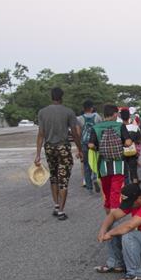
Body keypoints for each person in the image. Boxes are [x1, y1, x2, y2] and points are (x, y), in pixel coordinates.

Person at [34, 87, 83, 220]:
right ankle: (61, 210)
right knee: (63, 179)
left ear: (51, 97)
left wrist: (38, 154)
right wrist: (80, 149)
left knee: (54, 176)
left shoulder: (42, 112)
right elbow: (74, 133)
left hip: (49, 148)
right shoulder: (68, 112)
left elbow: (41, 134)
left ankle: (56, 205)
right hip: (63, 148)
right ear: (62, 97)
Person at [87, 105, 131, 213]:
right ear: (115, 114)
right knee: (116, 191)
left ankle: (108, 210)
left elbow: (91, 145)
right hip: (119, 165)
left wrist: (99, 147)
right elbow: (128, 142)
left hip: (103, 165)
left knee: (107, 191)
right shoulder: (120, 126)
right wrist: (121, 145)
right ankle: (113, 213)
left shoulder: (96, 127)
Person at [76, 99, 101, 194]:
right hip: (95, 144)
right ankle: (95, 178)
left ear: (83, 108)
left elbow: (78, 134)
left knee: (86, 165)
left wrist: (78, 148)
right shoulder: (97, 116)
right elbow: (100, 131)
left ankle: (89, 187)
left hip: (84, 144)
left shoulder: (79, 119)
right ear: (92, 108)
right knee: (97, 162)